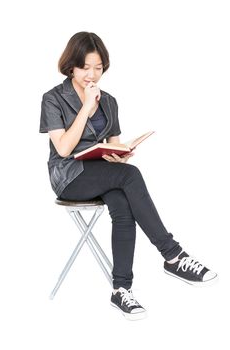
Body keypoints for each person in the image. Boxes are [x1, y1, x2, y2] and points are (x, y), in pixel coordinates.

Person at [39, 31, 218, 321]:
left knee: (122, 202)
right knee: (129, 176)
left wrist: (119, 153)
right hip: (69, 176)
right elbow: (62, 148)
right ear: (71, 66)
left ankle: (121, 290)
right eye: (86, 67)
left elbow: (112, 143)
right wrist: (85, 107)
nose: (92, 74)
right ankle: (173, 255)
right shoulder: (54, 99)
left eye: (98, 67)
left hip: (103, 173)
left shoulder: (108, 101)